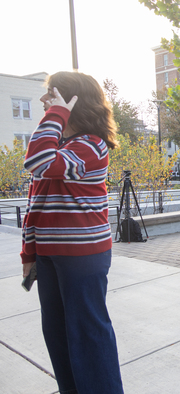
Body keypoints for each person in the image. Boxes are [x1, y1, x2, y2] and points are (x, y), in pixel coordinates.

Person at [20, 72, 124, 394]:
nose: (43, 101)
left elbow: (37, 161)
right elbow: (36, 202)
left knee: (89, 337)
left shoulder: (92, 145)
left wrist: (57, 113)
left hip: (82, 257)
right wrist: (29, 254)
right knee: (58, 334)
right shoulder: (62, 144)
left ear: (72, 102)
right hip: (51, 255)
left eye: (51, 95)